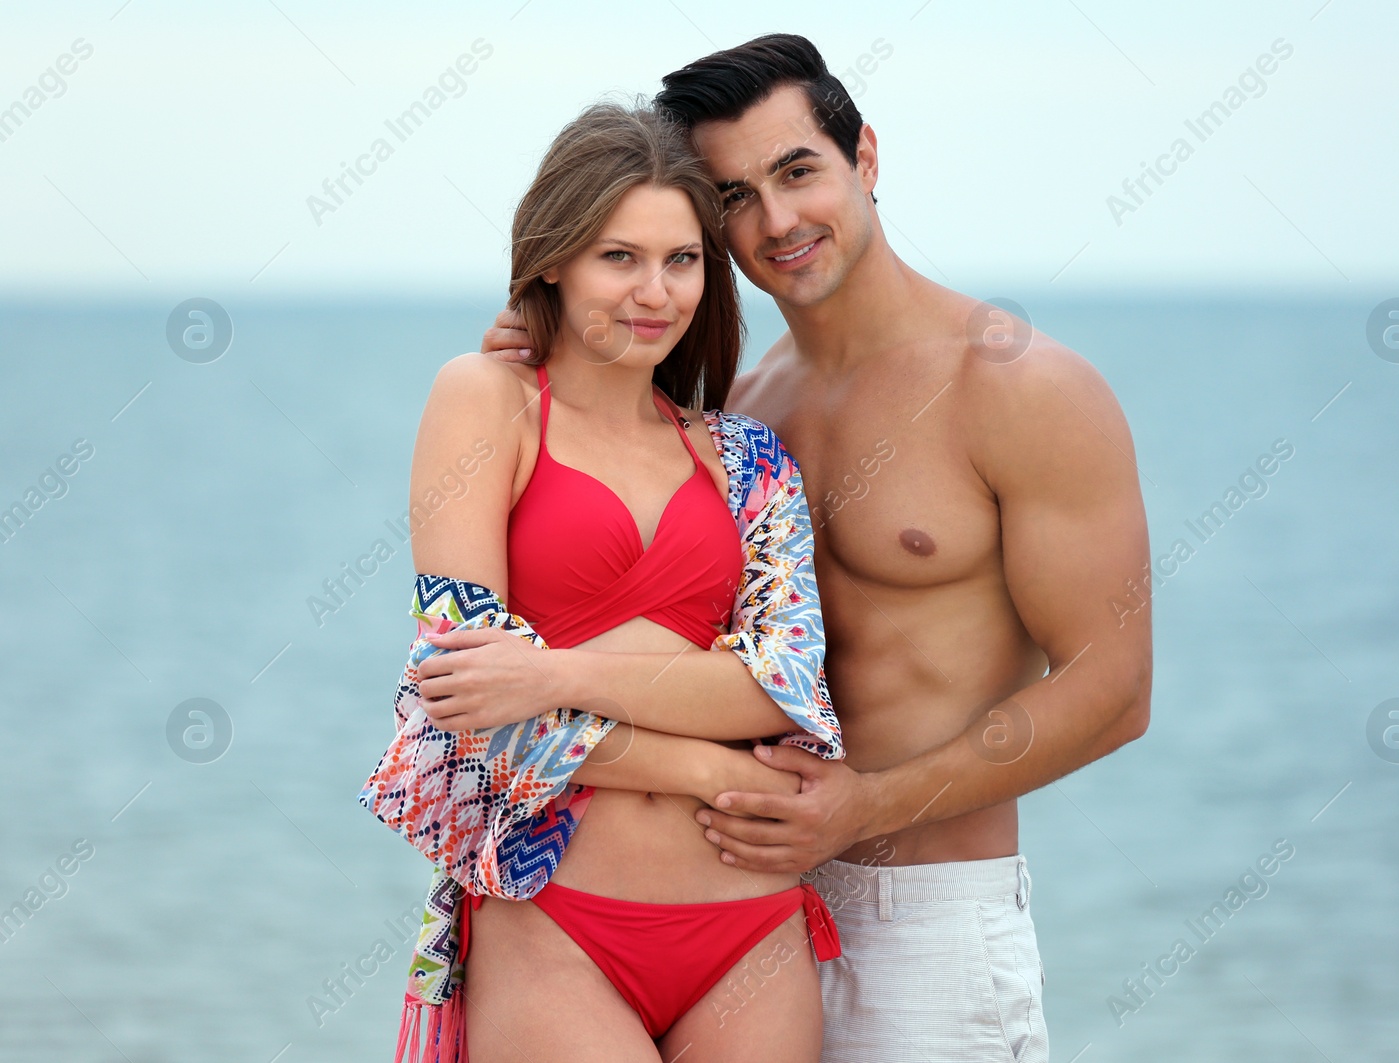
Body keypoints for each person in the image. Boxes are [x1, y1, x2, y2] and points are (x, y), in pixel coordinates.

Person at [480, 34, 1154, 1063]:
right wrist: (543, 353)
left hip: (922, 918)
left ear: (865, 159)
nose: (779, 220)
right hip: (743, 916)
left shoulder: (1018, 386)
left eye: (799, 172)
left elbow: (1115, 689)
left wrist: (862, 808)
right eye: (735, 196)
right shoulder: (740, 416)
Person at [394, 101, 844, 1063]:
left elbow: (786, 687)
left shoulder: (748, 458)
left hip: (751, 928)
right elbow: (465, 704)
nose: (656, 292)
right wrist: (715, 764)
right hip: (554, 917)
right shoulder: (486, 403)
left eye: (682, 260)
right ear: (553, 256)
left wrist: (552, 675)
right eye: (619, 257)